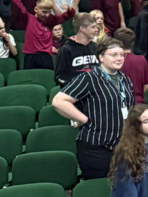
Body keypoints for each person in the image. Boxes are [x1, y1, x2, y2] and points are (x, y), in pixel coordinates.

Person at [52, 37, 135, 180]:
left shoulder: (124, 79)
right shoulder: (88, 78)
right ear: (101, 57)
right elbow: (59, 101)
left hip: (121, 145)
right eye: (114, 55)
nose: (119, 58)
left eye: (122, 54)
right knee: (100, 189)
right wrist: (84, 119)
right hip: (96, 148)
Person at [55, 11, 101, 85]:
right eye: (93, 27)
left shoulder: (96, 47)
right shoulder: (66, 49)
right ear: (82, 28)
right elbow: (59, 77)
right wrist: (75, 85)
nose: (96, 30)